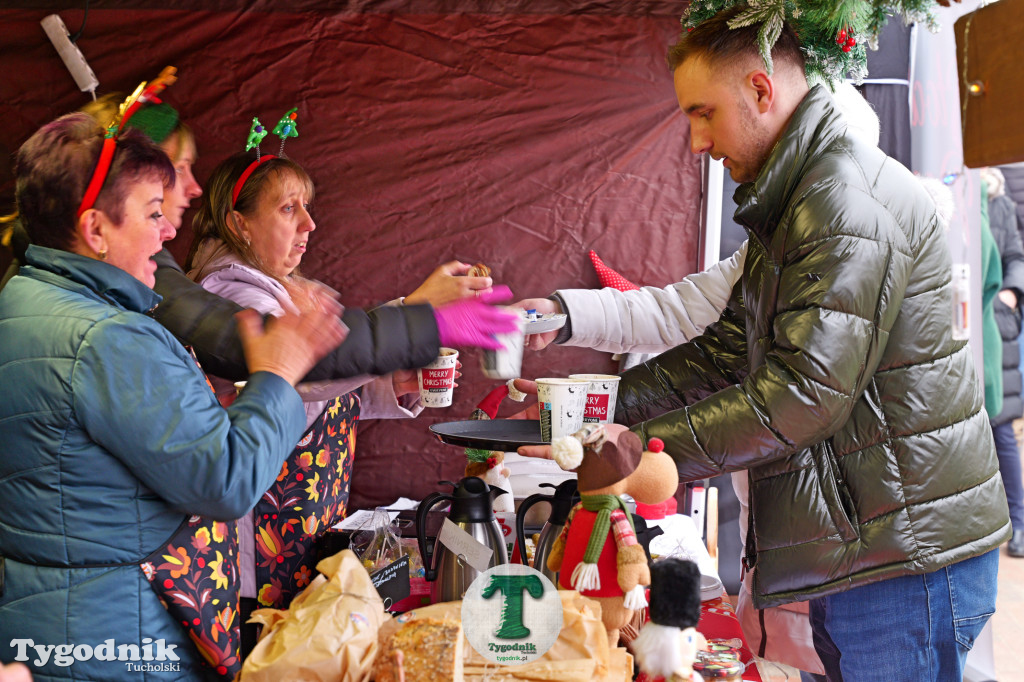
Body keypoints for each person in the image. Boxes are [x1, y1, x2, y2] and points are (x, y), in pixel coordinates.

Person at [521, 8, 1010, 681]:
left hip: (904, 560)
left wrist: (630, 451)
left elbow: (802, 396)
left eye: (703, 113)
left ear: (760, 90)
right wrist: (593, 413)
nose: (695, 141)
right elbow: (728, 350)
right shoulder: (799, 199)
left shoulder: (842, 202)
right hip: (872, 547)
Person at [0, 112, 347, 680]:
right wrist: (277, 376)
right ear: (95, 229)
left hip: (49, 618)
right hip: (121, 635)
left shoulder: (23, 299)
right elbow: (225, 481)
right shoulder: (107, 337)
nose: (168, 233)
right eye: (154, 213)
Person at [184, 151, 518, 620]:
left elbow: (326, 398)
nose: (309, 223)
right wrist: (417, 313)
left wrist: (396, 379)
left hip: (302, 524)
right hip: (262, 540)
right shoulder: (234, 295)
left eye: (306, 206)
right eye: (288, 208)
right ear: (239, 224)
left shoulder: (282, 286)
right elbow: (309, 374)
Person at [981, 166, 1024, 557]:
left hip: (997, 324)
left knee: (1003, 429)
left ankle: (1020, 521)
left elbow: (1015, 256)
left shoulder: (1000, 203)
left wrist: (1009, 295)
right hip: (969, 322)